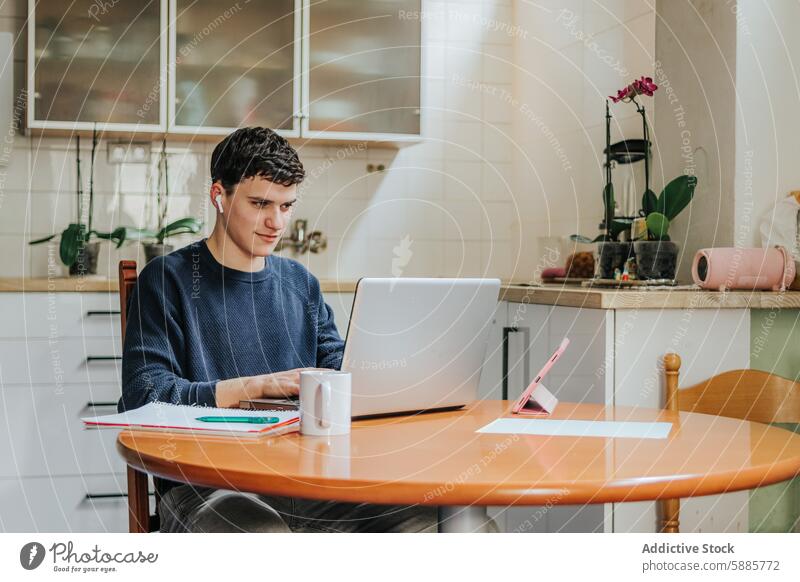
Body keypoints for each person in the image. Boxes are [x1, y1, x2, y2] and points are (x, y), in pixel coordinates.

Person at [119, 127, 438, 533]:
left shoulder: (300, 283)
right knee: (263, 538)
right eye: (260, 204)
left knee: (431, 526)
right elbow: (144, 395)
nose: (277, 222)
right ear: (219, 196)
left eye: (287, 206)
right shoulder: (167, 280)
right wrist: (250, 388)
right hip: (207, 484)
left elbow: (340, 367)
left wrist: (392, 369)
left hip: (310, 481)